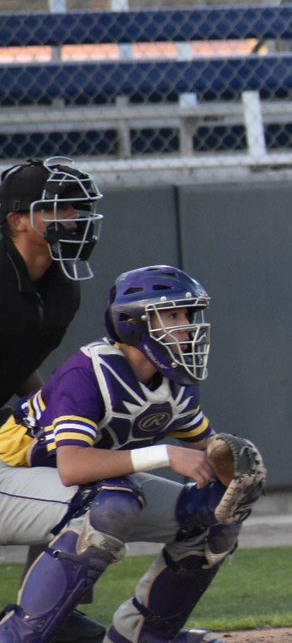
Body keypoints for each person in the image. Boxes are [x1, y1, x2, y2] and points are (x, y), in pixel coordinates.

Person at [0, 265, 267, 643]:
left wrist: (236, 468)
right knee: (113, 503)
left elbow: (207, 450)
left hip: (60, 486)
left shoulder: (174, 379)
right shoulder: (90, 370)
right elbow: (73, 466)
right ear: (131, 323)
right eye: (172, 315)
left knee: (213, 515)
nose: (186, 326)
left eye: (187, 315)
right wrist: (165, 454)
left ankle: (142, 637)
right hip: (8, 475)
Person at [0, 156, 107, 643]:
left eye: (77, 208)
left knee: (81, 458)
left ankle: (48, 609)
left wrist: (50, 409)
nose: (73, 218)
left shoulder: (63, 287)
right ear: (17, 220)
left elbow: (17, 353)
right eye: (58, 208)